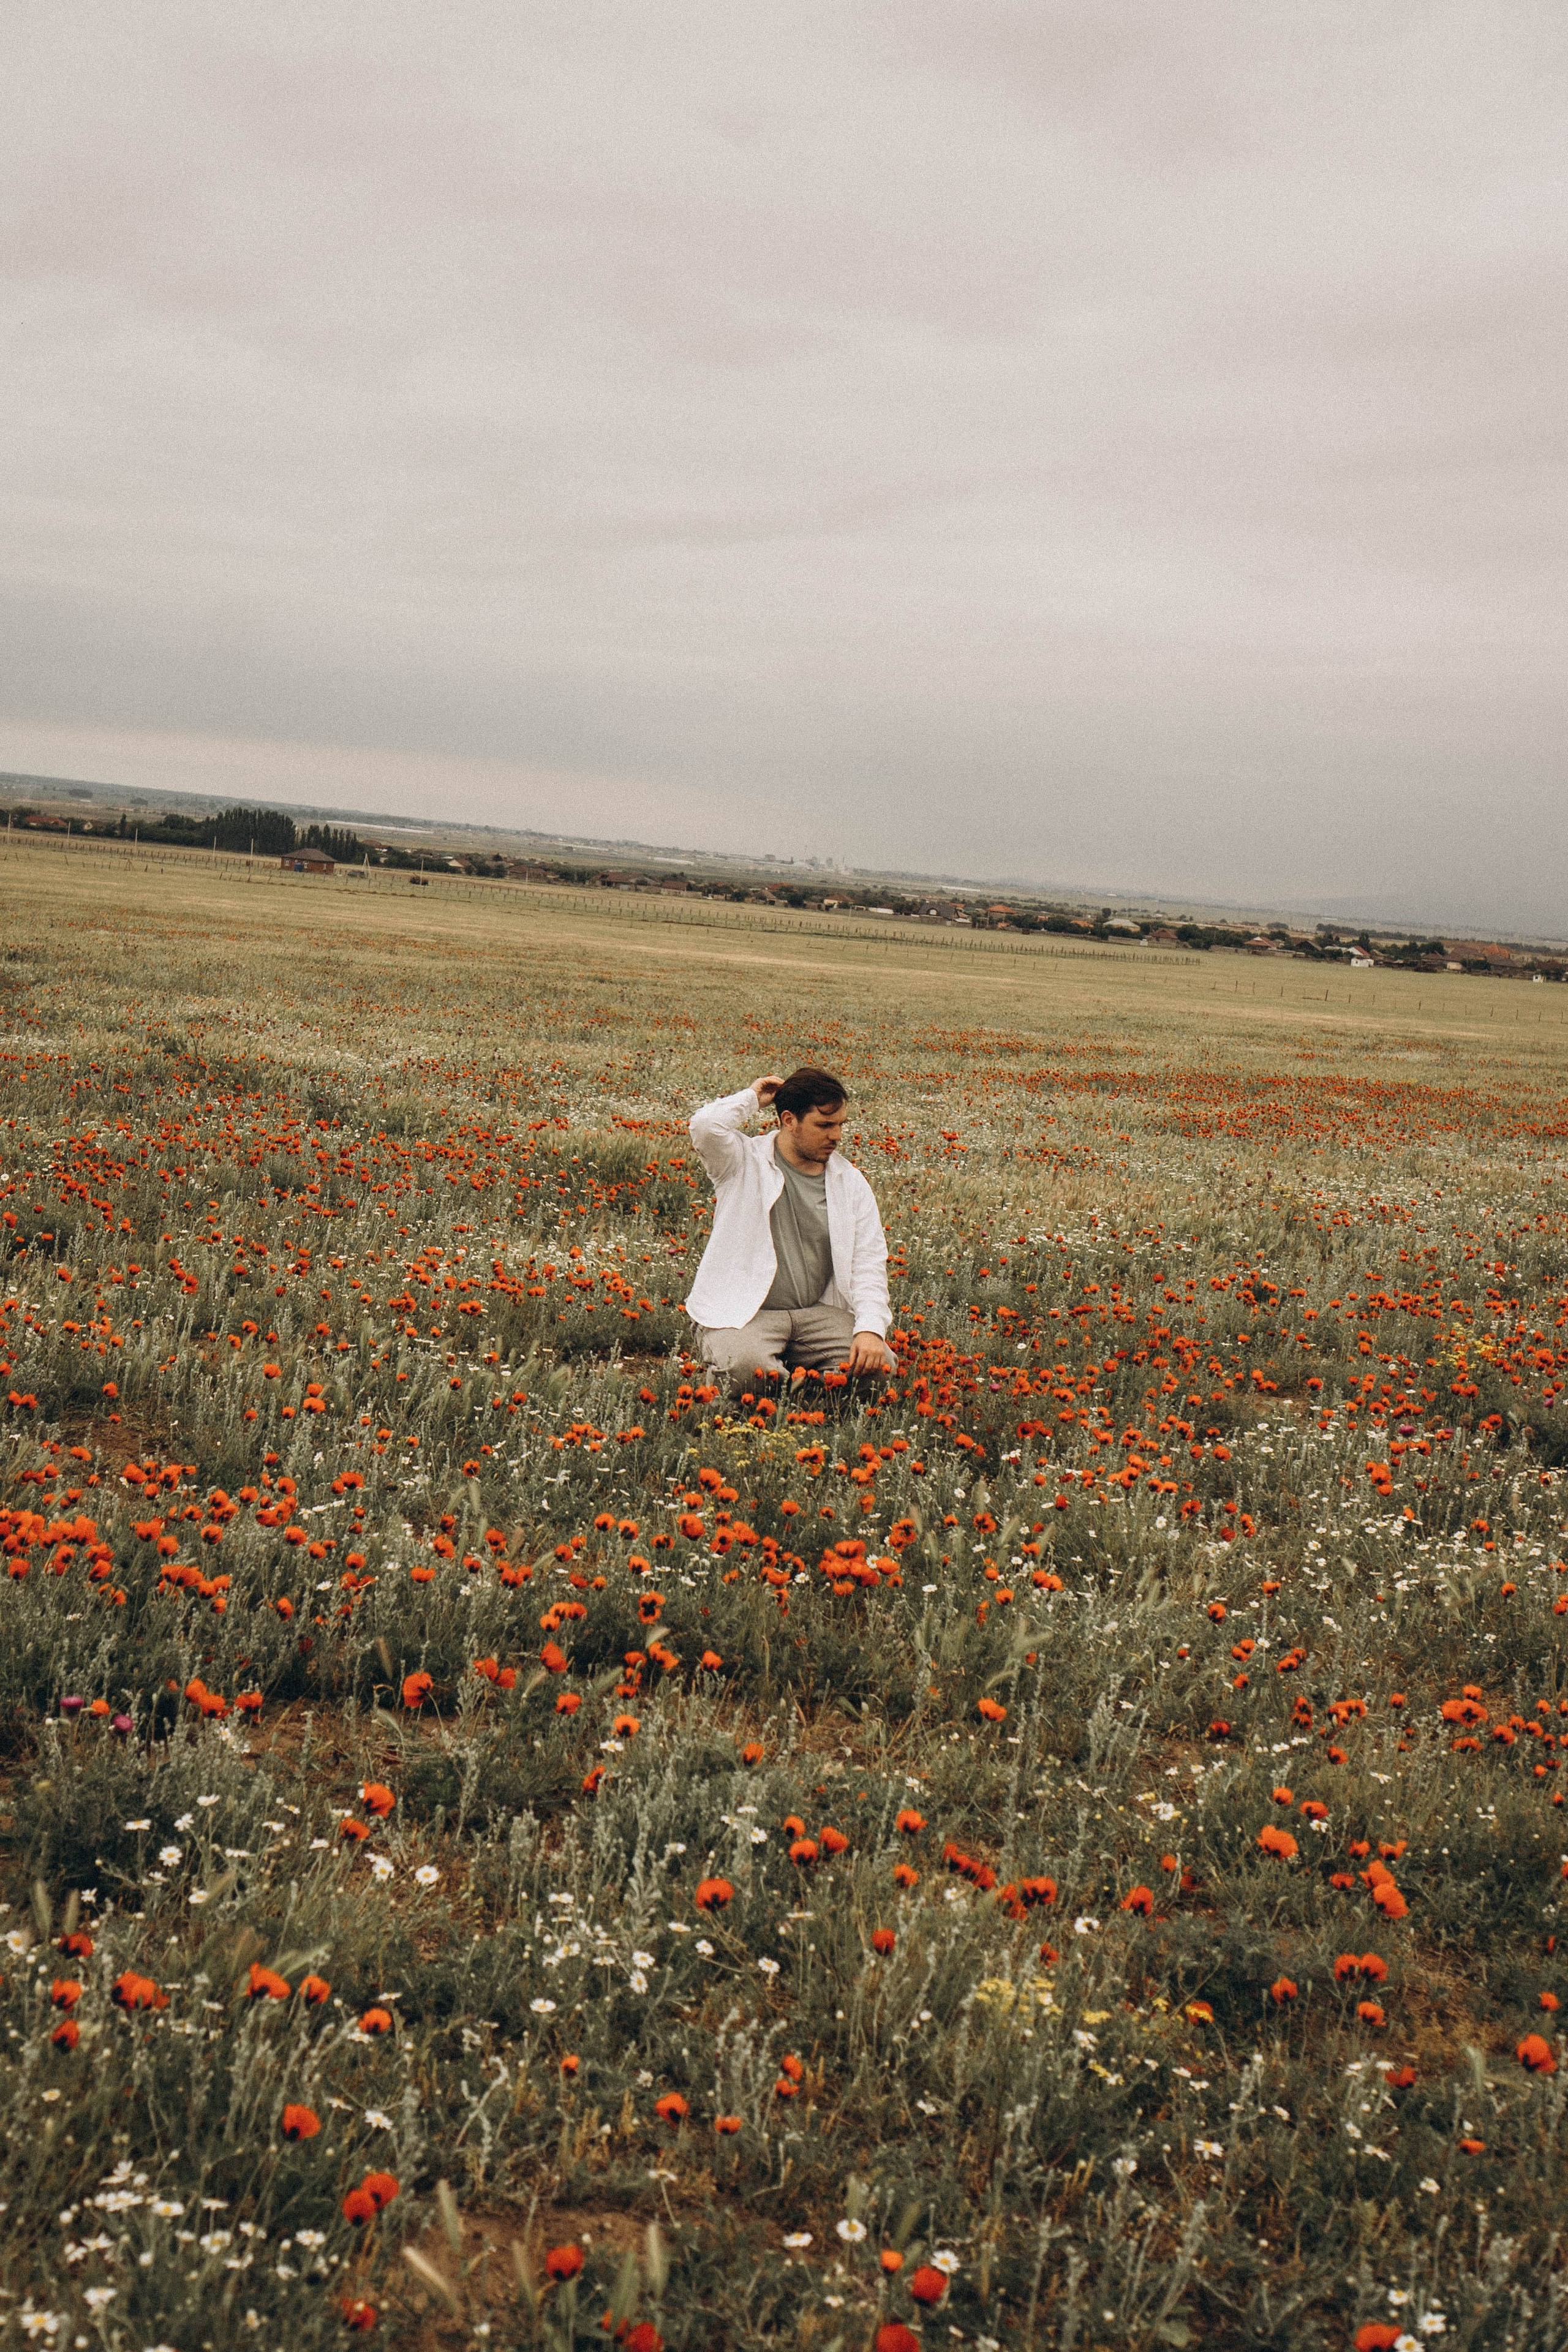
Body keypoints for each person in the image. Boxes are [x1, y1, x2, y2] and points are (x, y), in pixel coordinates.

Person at [685, 1066, 895, 1388]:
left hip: (815, 1313)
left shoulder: (849, 1181)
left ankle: (784, 1392)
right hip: (744, 1314)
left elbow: (868, 1262)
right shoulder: (742, 1161)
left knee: (880, 1368)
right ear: (788, 1121)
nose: (836, 1136)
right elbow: (704, 1126)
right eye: (824, 1125)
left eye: (840, 1125)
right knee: (748, 1368)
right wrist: (752, 1098)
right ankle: (786, 1386)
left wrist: (870, 1330)